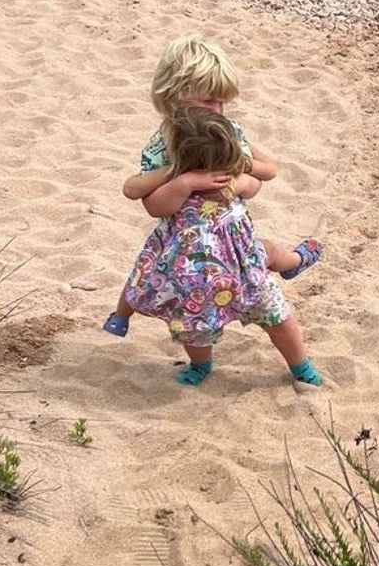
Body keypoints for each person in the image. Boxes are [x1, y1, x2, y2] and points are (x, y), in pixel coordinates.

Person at [103, 34, 320, 337]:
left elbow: (267, 171)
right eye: (208, 100)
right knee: (147, 267)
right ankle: (121, 316)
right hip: (180, 235)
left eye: (222, 101)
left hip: (229, 233)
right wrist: (183, 177)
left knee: (264, 256)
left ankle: (295, 261)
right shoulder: (163, 144)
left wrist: (240, 169)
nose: (217, 110)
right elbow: (145, 198)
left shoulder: (228, 132)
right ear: (174, 95)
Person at [117, 109, 323, 388]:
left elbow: (255, 183)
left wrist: (238, 180)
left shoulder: (233, 180)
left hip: (246, 272)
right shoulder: (177, 188)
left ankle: (301, 366)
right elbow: (154, 206)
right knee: (194, 328)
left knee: (277, 316)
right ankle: (201, 364)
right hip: (195, 284)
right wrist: (185, 182)